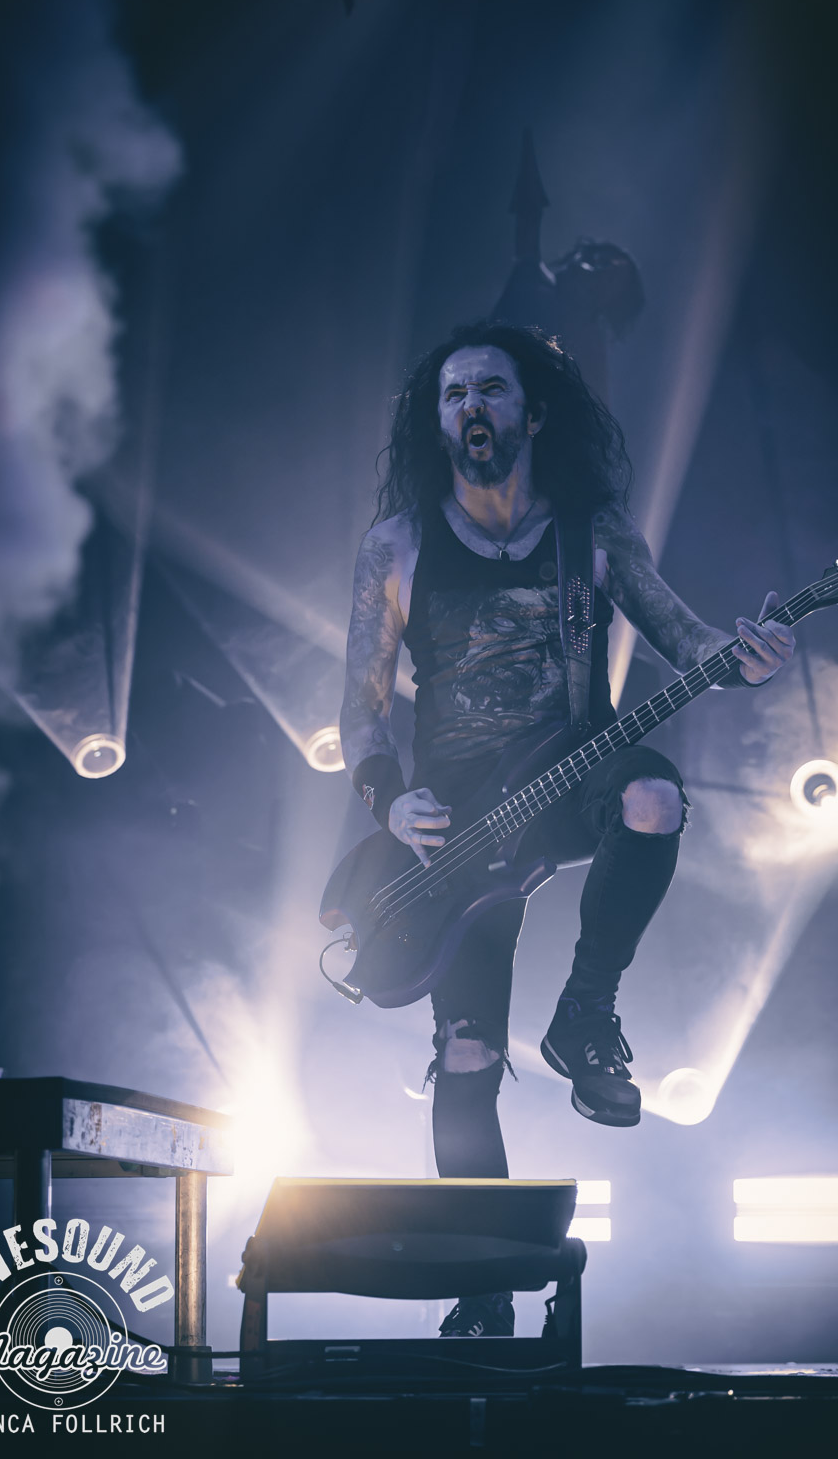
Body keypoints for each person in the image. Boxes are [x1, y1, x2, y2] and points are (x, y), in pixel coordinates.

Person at [339, 321, 794, 1337]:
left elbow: (686, 638)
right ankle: (483, 1290)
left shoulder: (590, 530)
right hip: (458, 815)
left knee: (653, 798)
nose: (470, 407)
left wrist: (746, 656)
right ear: (438, 422)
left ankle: (584, 1013)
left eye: (489, 390)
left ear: (532, 413)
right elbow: (359, 711)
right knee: (465, 1055)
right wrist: (388, 798)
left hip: (575, 767)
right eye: (452, 394)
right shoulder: (397, 545)